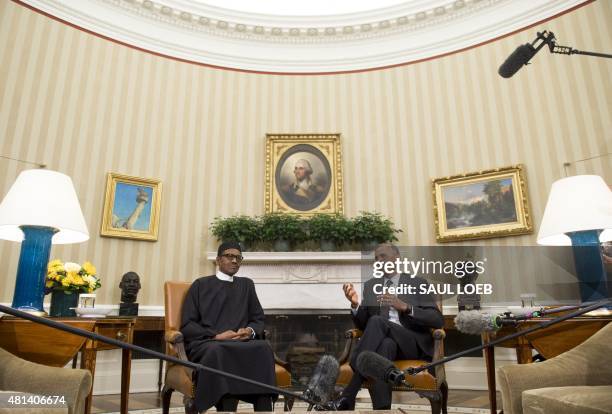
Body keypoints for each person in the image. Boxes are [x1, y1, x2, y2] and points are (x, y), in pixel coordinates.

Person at [327, 243, 444, 410]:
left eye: (383, 256)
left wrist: (406, 307)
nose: (379, 261)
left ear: (397, 257)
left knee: (377, 321)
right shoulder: (370, 286)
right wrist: (355, 305)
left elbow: (437, 319)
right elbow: (363, 324)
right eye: (376, 258)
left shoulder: (417, 283)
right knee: (384, 346)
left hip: (411, 343)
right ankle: (378, 408)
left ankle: (356, 365)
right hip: (387, 344)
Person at [180, 241, 277, 412]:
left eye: (238, 258)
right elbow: (188, 324)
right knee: (219, 351)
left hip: (241, 343)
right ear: (218, 260)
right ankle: (226, 408)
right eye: (229, 256)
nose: (234, 261)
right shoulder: (200, 285)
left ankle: (264, 407)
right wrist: (215, 336)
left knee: (264, 347)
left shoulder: (246, 285)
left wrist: (250, 331)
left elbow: (258, 318)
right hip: (210, 342)